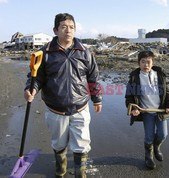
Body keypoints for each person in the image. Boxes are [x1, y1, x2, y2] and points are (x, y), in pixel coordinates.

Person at [24, 13, 102, 178]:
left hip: (80, 107)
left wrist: (97, 98)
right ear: (55, 30)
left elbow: (93, 77)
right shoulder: (44, 53)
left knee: (82, 144)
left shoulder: (85, 52)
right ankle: (61, 170)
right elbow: (36, 77)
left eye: (72, 27)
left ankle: (80, 173)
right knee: (59, 144)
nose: (69, 30)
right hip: (55, 109)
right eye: (64, 27)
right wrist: (31, 89)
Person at [125, 50, 169, 170]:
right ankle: (149, 156)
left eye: (148, 62)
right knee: (149, 136)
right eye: (143, 62)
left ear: (152, 63)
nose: (145, 65)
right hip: (146, 112)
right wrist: (134, 108)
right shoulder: (134, 78)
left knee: (163, 134)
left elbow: (168, 92)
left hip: (160, 110)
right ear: (138, 63)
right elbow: (129, 96)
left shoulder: (160, 75)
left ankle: (156, 147)